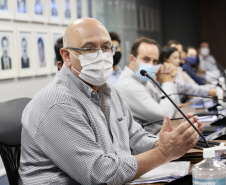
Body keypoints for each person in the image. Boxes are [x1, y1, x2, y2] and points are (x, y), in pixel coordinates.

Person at [19, 18, 202, 185]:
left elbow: (135, 136)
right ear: (67, 56)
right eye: (89, 48)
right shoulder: (58, 104)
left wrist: (165, 143)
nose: (101, 55)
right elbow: (100, 175)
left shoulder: (108, 90)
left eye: (106, 47)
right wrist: (164, 153)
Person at [115, 37, 179, 124]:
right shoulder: (127, 85)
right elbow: (165, 118)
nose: (151, 65)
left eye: (155, 61)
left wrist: (169, 79)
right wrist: (168, 82)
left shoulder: (143, 81)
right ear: (132, 59)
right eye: (146, 59)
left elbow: (174, 108)